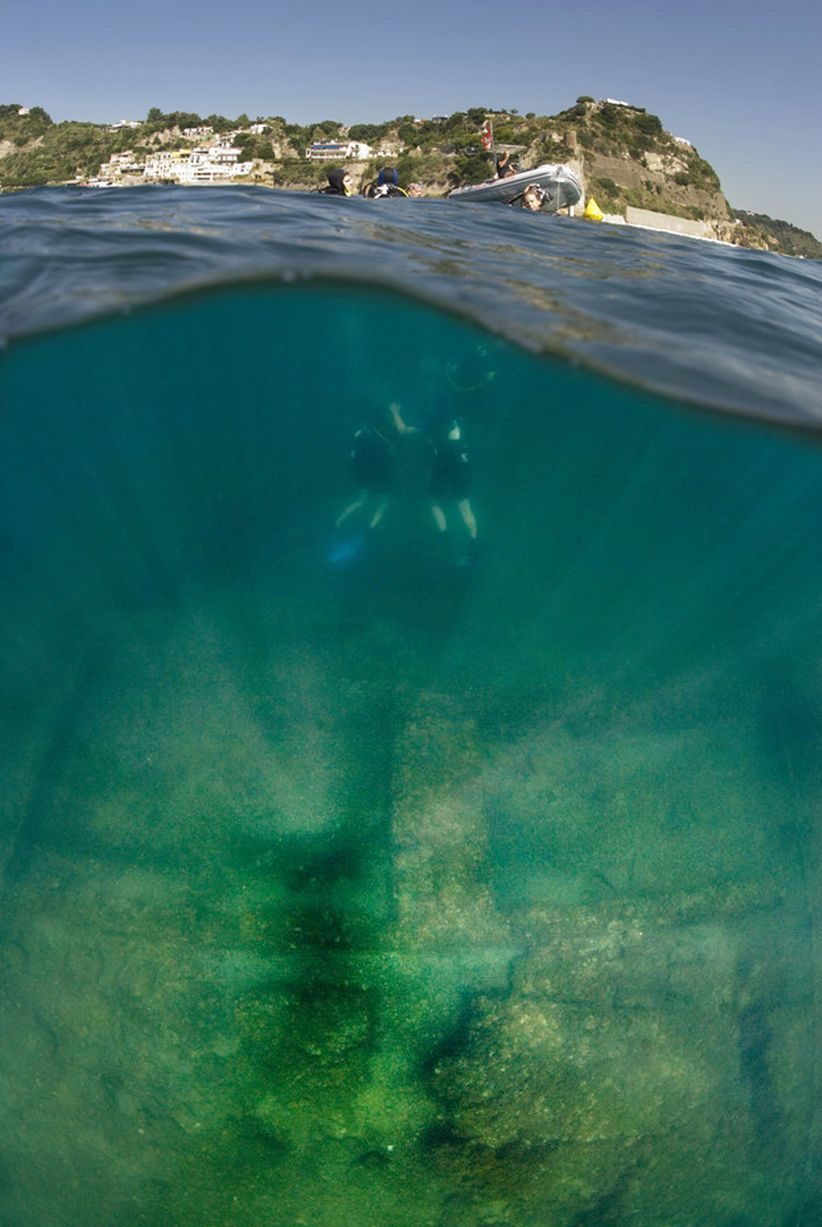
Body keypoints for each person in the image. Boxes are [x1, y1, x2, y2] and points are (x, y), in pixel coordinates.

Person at [390, 403, 478, 557]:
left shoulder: (431, 421)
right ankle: (474, 541)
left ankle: (445, 538)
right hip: (462, 466)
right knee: (464, 506)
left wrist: (394, 411)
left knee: (434, 503)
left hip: (442, 467)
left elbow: (403, 430)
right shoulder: (459, 420)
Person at [335, 420, 395, 532]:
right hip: (382, 475)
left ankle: (338, 521)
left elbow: (353, 455)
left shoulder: (359, 435)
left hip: (365, 474)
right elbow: (390, 456)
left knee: (361, 501)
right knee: (384, 501)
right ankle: (372, 527)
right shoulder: (383, 437)